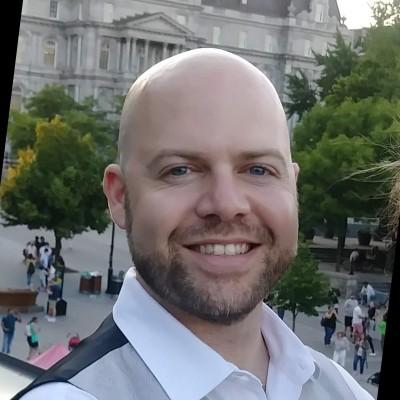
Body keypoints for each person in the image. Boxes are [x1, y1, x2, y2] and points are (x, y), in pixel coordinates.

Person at [13, 49, 374, 399]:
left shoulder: (344, 389)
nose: (227, 205)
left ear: (292, 186)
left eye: (258, 169)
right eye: (180, 170)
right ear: (120, 196)